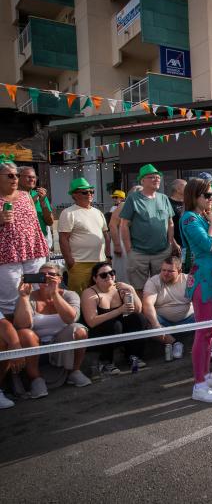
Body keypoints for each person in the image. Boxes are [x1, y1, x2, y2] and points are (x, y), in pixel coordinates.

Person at [13, 263, 91, 394]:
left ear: (60, 279)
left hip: (62, 346)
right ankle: (36, 379)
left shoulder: (70, 295)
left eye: (51, 275)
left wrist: (54, 294)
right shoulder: (29, 295)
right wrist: (24, 298)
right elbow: (22, 325)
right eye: (42, 275)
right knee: (25, 333)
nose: (47, 277)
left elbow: (71, 319)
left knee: (80, 330)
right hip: (35, 348)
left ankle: (74, 371)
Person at [180, 178, 212, 403]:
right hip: (202, 278)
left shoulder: (204, 216)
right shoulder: (189, 217)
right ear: (194, 196)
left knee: (211, 331)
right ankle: (199, 384)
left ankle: (206, 374)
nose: (211, 199)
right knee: (203, 331)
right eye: (207, 195)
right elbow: (208, 244)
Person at [0, 157, 49, 318]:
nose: (15, 179)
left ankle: (39, 331)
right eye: (10, 176)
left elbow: (35, 222)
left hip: (33, 252)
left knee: (37, 290)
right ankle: (14, 336)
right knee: (12, 298)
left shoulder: (26, 195)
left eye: (16, 175)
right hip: (7, 255)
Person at [119, 164, 180, 292]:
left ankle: (158, 311)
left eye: (158, 177)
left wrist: (171, 243)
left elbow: (170, 223)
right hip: (138, 252)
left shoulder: (163, 198)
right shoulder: (133, 199)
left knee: (162, 286)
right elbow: (124, 225)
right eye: (152, 177)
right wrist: (129, 249)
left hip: (162, 252)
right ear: (142, 180)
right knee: (139, 288)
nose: (157, 179)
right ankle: (142, 312)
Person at [80, 261, 148, 375]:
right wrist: (119, 310)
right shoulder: (89, 293)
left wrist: (131, 289)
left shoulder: (120, 288)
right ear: (95, 278)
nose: (109, 276)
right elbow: (91, 321)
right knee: (113, 325)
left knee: (139, 318)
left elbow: (138, 309)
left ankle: (133, 355)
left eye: (112, 273)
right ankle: (106, 362)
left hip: (117, 328)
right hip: (98, 330)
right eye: (103, 275)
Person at [59, 178, 111, 293]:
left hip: (100, 261)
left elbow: (106, 236)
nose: (89, 194)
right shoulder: (68, 213)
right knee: (78, 297)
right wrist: (70, 261)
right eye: (84, 192)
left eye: (91, 191)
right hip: (79, 263)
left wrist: (108, 257)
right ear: (74, 195)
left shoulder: (98, 212)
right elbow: (63, 239)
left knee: (101, 294)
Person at [141, 256, 192, 360]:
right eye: (163, 270)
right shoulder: (153, 281)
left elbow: (199, 300)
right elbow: (147, 304)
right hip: (163, 323)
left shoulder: (188, 279)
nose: (165, 273)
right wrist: (156, 325)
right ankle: (175, 344)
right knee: (147, 321)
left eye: (170, 271)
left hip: (189, 320)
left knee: (210, 315)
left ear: (179, 271)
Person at [18, 166, 53, 247]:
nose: (32, 180)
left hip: (41, 241)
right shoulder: (12, 195)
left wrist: (43, 203)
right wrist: (33, 200)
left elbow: (50, 222)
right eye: (29, 177)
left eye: (34, 177)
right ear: (18, 177)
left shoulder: (40, 195)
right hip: (21, 242)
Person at [168, 179, 187, 250]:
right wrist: (173, 243)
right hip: (176, 244)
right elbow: (166, 225)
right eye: (186, 186)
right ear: (178, 189)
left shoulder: (188, 202)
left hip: (188, 243)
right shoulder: (168, 202)